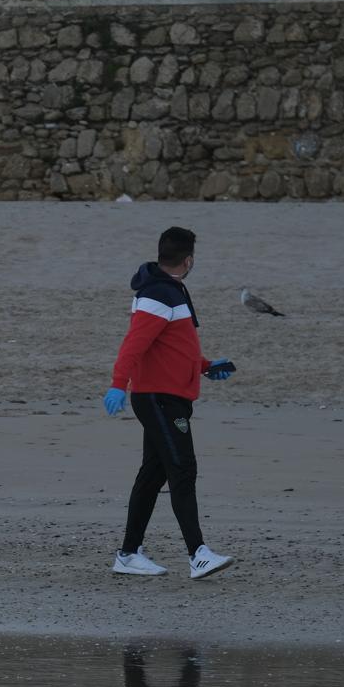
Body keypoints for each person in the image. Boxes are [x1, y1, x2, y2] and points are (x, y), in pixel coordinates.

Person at [103, 226, 235, 579]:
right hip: (159, 399)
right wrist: (118, 385)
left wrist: (206, 367)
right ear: (188, 260)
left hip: (169, 395)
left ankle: (128, 555)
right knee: (182, 468)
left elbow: (175, 346)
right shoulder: (159, 294)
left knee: (153, 474)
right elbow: (134, 345)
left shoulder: (170, 290)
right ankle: (198, 555)